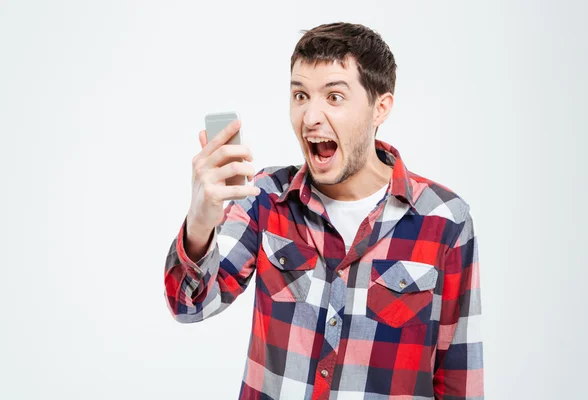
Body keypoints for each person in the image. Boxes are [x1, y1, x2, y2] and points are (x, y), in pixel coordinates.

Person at [164, 22, 484, 400]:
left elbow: (457, 377)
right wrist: (201, 219)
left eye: (334, 97)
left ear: (380, 107)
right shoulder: (266, 197)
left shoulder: (445, 220)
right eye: (300, 95)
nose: (311, 117)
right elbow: (190, 304)